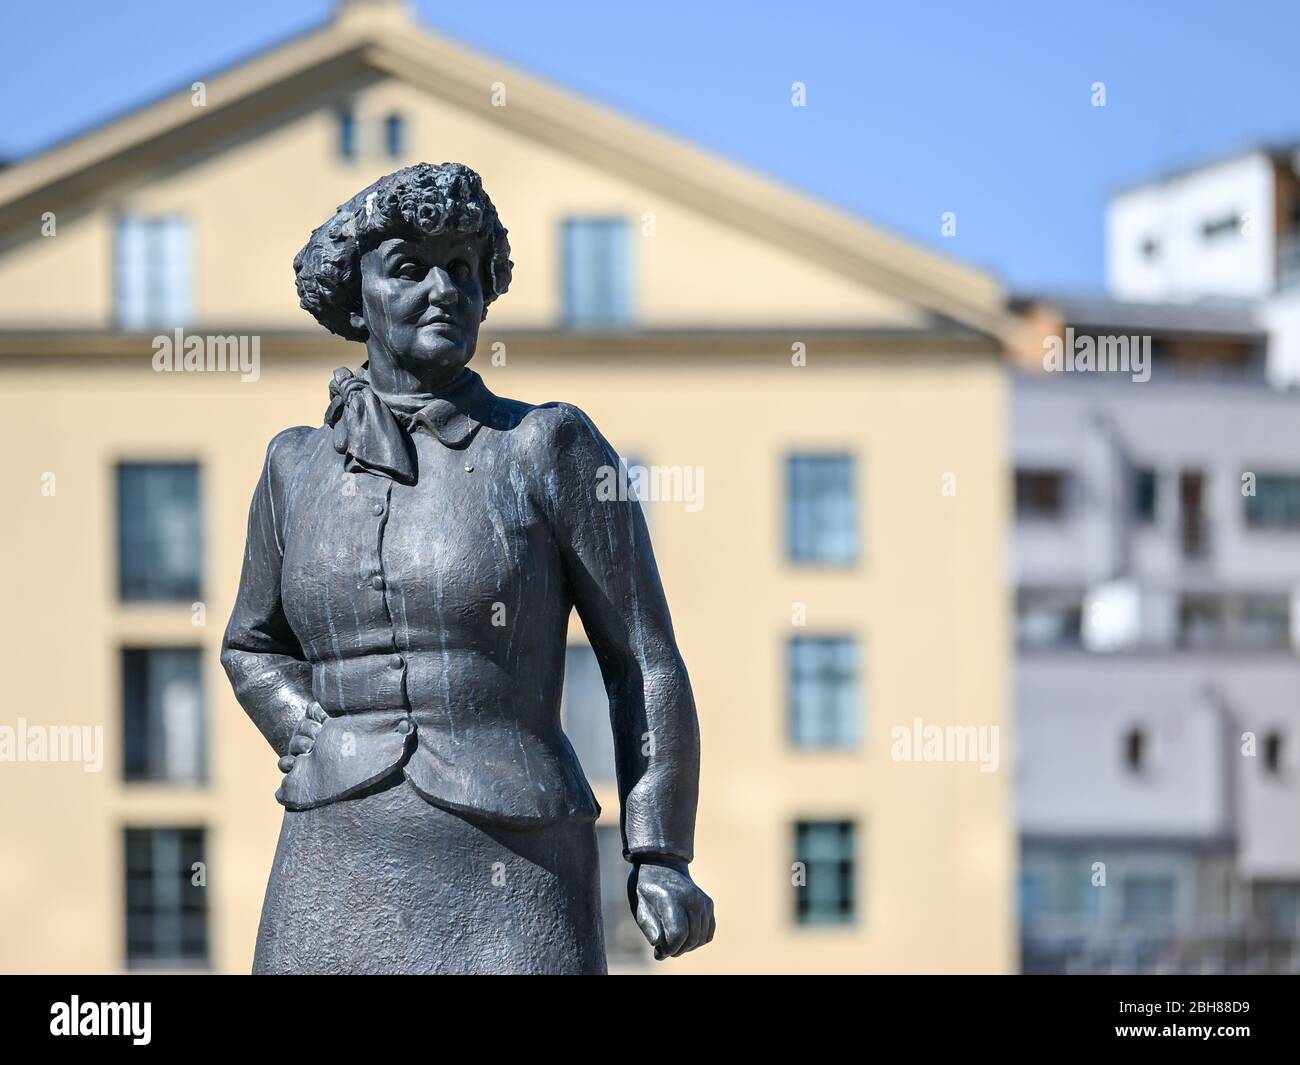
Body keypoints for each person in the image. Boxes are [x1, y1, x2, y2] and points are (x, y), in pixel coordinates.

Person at [221, 161, 714, 973]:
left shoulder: (548, 446)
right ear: (357, 296)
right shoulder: (292, 467)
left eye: (463, 268)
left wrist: (660, 850)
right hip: (330, 860)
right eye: (410, 268)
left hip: (512, 870)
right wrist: (297, 720)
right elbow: (250, 643)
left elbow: (643, 658)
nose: (444, 288)